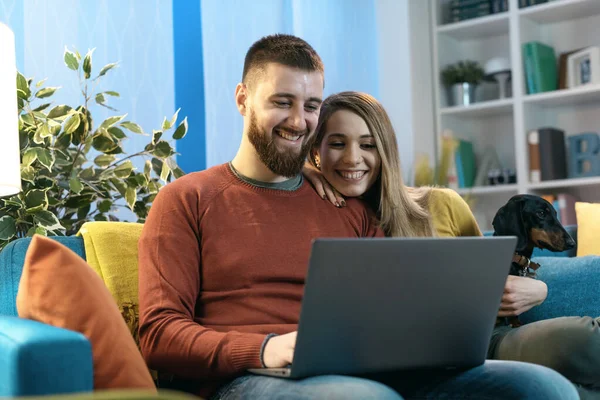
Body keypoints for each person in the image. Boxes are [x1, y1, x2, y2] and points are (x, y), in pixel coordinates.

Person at [138, 34, 578, 400]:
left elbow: (394, 306)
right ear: (242, 99)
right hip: (253, 378)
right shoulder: (186, 199)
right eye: (282, 102)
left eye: (311, 106)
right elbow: (158, 334)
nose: (298, 120)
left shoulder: (347, 207)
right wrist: (266, 348)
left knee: (539, 386)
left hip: (370, 371)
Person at [305, 90, 600, 399]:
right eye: (337, 144)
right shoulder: (315, 218)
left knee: (587, 340)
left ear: (386, 151)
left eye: (368, 144)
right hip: (411, 363)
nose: (352, 157)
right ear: (316, 151)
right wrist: (302, 171)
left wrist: (539, 288)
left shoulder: (439, 203)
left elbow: (498, 270)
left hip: (486, 340)